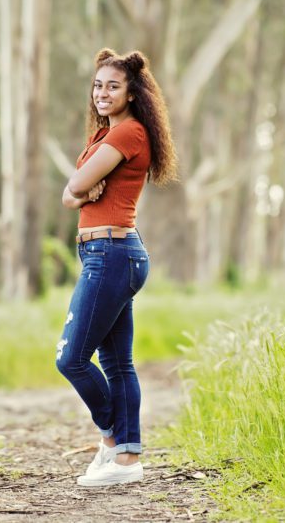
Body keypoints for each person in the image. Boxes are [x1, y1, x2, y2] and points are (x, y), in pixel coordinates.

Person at [56, 48, 178, 487]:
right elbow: (72, 196)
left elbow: (74, 186)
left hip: (112, 251)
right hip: (104, 252)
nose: (102, 93)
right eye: (97, 85)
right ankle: (127, 459)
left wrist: (81, 190)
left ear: (131, 93)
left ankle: (114, 441)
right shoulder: (102, 137)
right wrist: (82, 191)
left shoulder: (128, 135)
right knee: (117, 363)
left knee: (70, 359)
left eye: (113, 86)